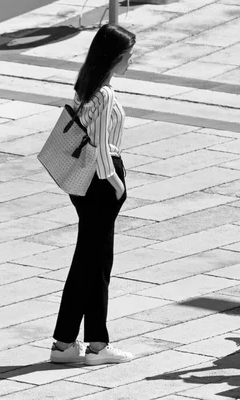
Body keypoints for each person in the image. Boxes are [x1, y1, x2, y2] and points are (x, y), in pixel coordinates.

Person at [50, 24, 136, 366]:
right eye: (128, 56)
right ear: (113, 57)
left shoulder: (86, 86)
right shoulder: (106, 94)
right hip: (101, 182)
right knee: (95, 264)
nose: (130, 61)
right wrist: (116, 184)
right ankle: (82, 344)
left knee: (91, 262)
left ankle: (76, 343)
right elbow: (101, 147)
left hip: (83, 184)